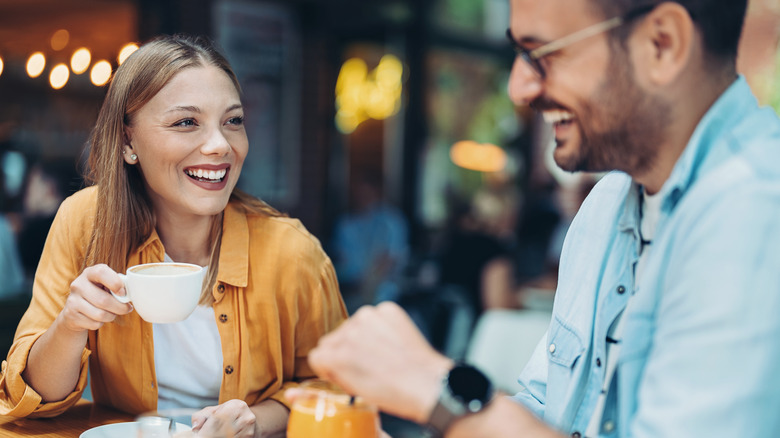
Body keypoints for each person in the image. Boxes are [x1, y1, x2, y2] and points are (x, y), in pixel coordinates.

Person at [305, 0, 780, 437]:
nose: (519, 88)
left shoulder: (757, 210)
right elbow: (543, 409)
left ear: (662, 44)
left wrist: (439, 390)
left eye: (543, 54)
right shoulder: (607, 205)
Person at [0, 34, 347, 438]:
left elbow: (337, 387)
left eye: (233, 121)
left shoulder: (293, 251)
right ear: (128, 141)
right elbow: (33, 399)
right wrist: (71, 324)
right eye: (186, 122)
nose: (220, 145)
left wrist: (254, 422)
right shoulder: (85, 222)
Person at [330, 171, 408, 313]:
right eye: (358, 193)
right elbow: (341, 261)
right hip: (349, 293)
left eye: (366, 193)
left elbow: (390, 259)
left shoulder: (391, 222)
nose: (362, 198)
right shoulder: (345, 224)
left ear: (377, 192)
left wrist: (369, 287)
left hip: (382, 296)